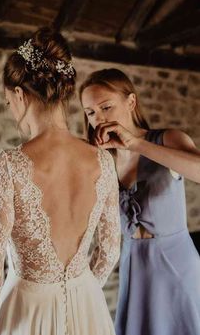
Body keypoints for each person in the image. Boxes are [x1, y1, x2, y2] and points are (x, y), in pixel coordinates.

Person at [0, 30, 121, 335]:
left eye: (9, 102)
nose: (12, 111)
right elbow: (111, 249)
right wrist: (81, 289)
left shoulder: (6, 164)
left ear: (20, 95)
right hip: (88, 306)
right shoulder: (103, 161)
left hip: (27, 313)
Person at [80, 68, 200, 335]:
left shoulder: (168, 139)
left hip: (176, 264)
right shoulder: (102, 158)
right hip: (133, 264)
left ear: (131, 102)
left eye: (106, 107)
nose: (98, 118)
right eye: (90, 112)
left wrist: (136, 144)